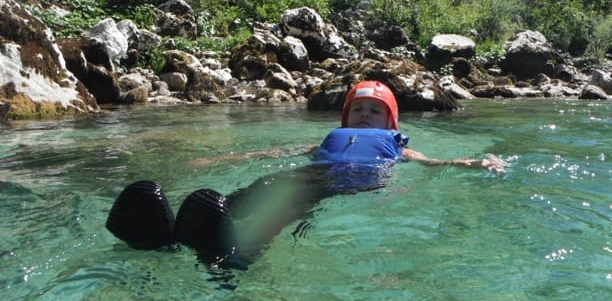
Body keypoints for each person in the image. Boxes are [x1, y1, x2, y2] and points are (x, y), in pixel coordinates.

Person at [106, 81, 507, 269]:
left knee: (289, 204)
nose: (364, 117)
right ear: (345, 117)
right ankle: (182, 231)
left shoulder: (399, 147)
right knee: (265, 186)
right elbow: (278, 153)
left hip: (347, 184)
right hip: (310, 173)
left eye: (374, 112)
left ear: (390, 122)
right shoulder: (325, 142)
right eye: (357, 110)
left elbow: (433, 163)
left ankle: (235, 254)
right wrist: (222, 160)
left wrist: (474, 162)